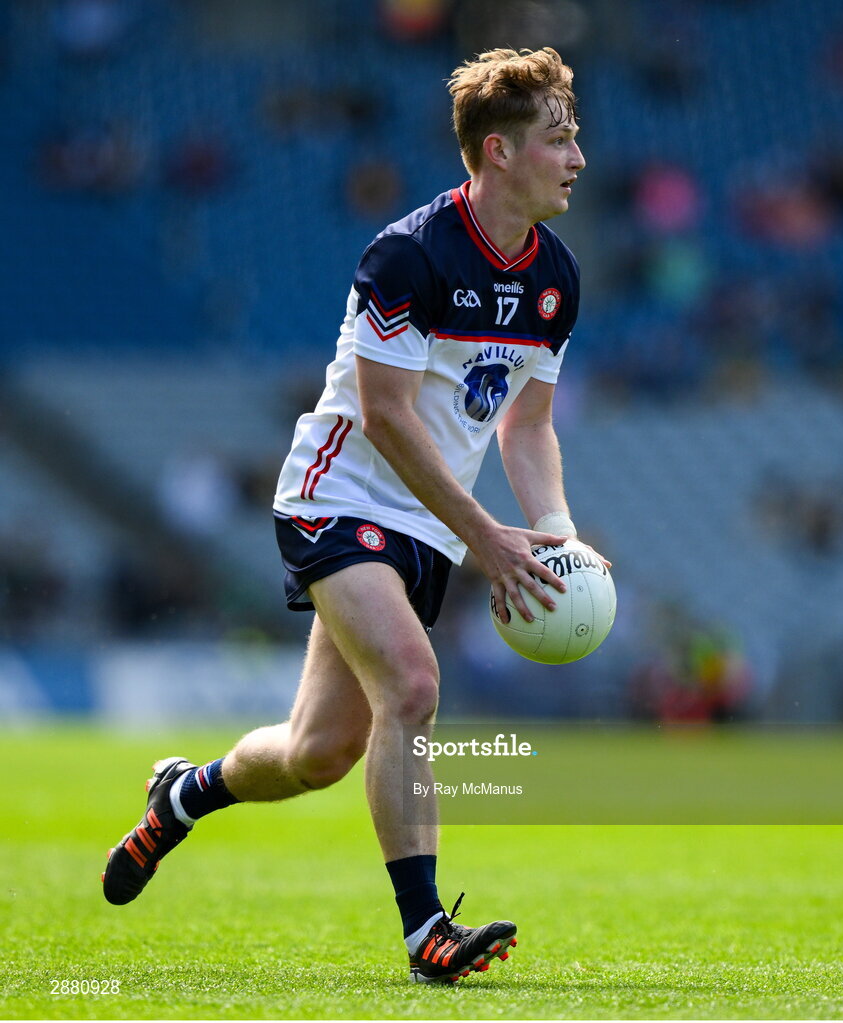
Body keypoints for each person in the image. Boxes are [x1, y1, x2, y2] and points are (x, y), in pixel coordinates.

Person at [102, 46, 604, 984]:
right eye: (558, 138)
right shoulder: (408, 254)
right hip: (336, 496)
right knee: (412, 686)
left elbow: (526, 425)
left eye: (575, 137)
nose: (578, 157)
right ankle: (427, 934)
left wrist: (558, 531)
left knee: (318, 752)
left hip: (426, 524)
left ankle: (181, 794)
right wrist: (489, 537)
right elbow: (383, 414)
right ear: (497, 151)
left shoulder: (556, 279)